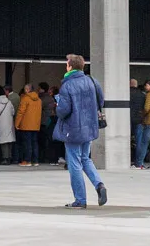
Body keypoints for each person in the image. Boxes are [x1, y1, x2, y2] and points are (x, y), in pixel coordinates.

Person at [55, 55, 106, 209]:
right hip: (89, 127)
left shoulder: (67, 85)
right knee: (85, 158)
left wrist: (57, 105)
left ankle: (80, 200)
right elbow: (100, 101)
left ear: (70, 67)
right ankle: (99, 185)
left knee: (74, 163)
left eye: (66, 64)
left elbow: (63, 111)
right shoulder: (92, 81)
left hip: (73, 129)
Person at [15, 83, 42, 165]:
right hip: (36, 125)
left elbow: (20, 112)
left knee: (27, 143)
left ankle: (27, 160)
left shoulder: (25, 99)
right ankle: (35, 161)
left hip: (26, 125)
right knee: (34, 143)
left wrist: (16, 123)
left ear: (27, 89)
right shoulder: (39, 100)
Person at [0, 86, 16, 164]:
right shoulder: (9, 101)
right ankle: (9, 157)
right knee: (9, 140)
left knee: (3, 141)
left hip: (0, 123)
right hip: (9, 122)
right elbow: (13, 112)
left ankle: (5, 158)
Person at [40, 83, 61, 164]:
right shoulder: (57, 99)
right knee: (55, 140)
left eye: (50, 91)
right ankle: (56, 157)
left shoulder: (50, 99)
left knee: (51, 139)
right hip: (55, 120)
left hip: (51, 120)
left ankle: (52, 158)